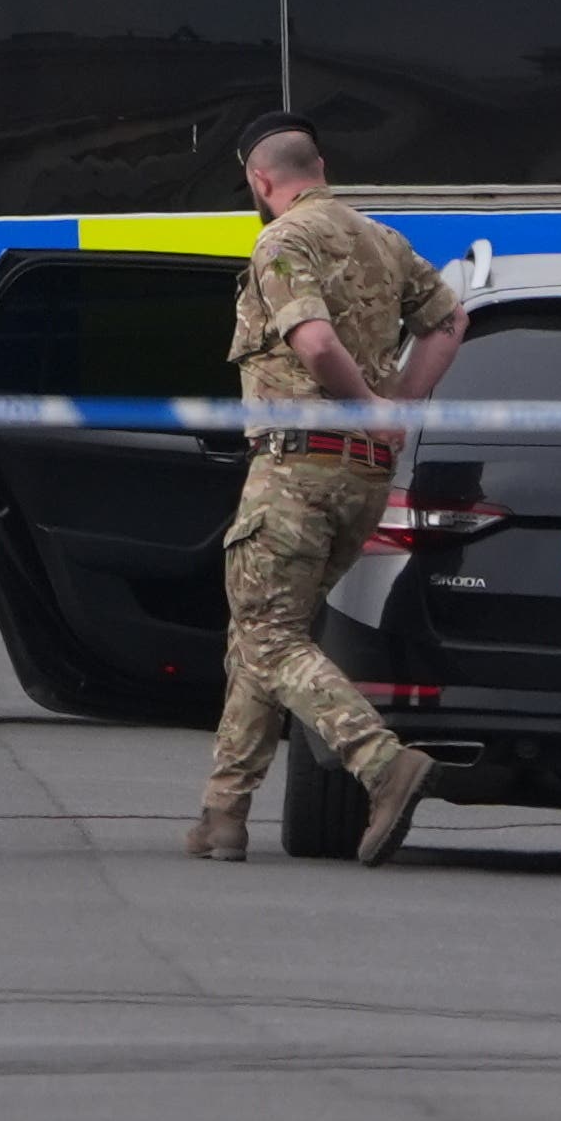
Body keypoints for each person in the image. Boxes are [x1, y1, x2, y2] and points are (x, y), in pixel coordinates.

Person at [192, 116, 459, 866]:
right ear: (323, 165)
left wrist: (370, 409)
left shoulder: (281, 240)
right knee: (264, 637)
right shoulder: (382, 239)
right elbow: (449, 321)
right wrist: (397, 411)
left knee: (270, 635)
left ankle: (381, 762)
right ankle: (223, 814)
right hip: (360, 480)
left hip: (295, 470)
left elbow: (311, 341)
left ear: (259, 180)